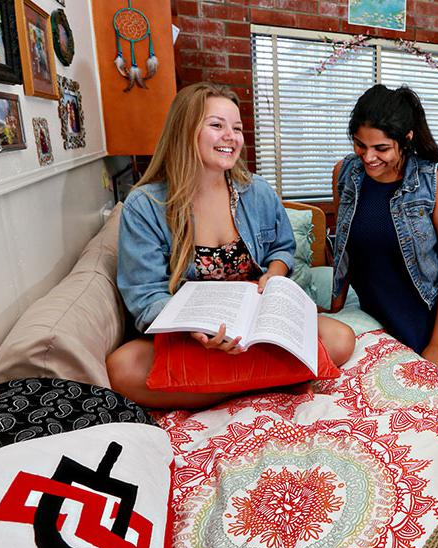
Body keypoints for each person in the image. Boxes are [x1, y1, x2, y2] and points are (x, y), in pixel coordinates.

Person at [107, 82, 355, 408]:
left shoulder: (258, 192)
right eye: (217, 125)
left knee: (341, 339)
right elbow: (145, 295)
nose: (231, 136)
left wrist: (274, 274)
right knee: (121, 368)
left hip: (258, 329)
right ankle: (262, 383)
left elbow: (282, 248)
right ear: (185, 131)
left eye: (236, 128)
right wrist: (196, 329)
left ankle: (213, 388)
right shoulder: (145, 205)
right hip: (194, 336)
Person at [329, 85, 438, 380]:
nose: (368, 157)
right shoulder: (345, 173)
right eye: (360, 144)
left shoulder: (434, 184)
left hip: (425, 316)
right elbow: (344, 247)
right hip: (375, 311)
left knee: (431, 406)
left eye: (381, 148)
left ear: (406, 138)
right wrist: (336, 309)